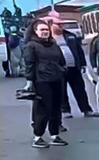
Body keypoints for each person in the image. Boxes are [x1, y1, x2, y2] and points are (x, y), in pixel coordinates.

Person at [23, 19, 67, 148]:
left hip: (57, 80)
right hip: (41, 81)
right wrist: (29, 82)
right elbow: (29, 65)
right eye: (42, 30)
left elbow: (61, 60)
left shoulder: (54, 45)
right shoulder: (31, 46)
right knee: (43, 110)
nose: (45, 32)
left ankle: (55, 135)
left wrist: (63, 70)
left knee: (56, 109)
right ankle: (38, 137)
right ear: (35, 31)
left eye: (46, 30)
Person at [49, 17, 93, 118]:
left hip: (73, 67)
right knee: (62, 90)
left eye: (62, 25)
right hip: (58, 69)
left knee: (80, 89)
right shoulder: (49, 38)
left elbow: (79, 50)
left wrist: (82, 63)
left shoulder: (70, 35)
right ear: (51, 24)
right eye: (58, 24)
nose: (61, 27)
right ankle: (65, 110)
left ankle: (86, 109)